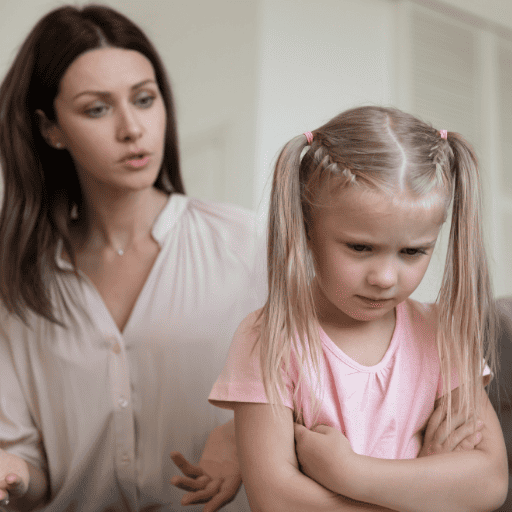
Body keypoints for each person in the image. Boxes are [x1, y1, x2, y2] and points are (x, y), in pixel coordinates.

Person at [0, 4, 264, 511]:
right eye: (97, 109)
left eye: (144, 100)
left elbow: (336, 388)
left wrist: (242, 430)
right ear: (51, 129)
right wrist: (12, 472)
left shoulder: (250, 245)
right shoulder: (20, 285)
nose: (132, 128)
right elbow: (34, 479)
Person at [209, 106, 509, 511]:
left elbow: (489, 483)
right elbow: (278, 502)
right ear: (307, 230)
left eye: (413, 251)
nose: (385, 277)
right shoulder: (269, 336)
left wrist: (350, 473)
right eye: (360, 247)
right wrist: (428, 491)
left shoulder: (442, 334)